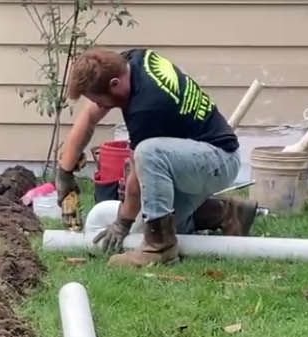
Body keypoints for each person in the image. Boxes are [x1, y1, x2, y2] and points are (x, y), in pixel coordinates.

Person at [57, 47, 257, 267]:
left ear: (115, 84)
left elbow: (137, 175)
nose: (102, 106)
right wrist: (65, 172)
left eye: (100, 100)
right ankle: (227, 213)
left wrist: (122, 222)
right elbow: (89, 116)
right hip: (192, 156)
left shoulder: (147, 106)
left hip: (217, 160)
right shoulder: (131, 61)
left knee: (148, 153)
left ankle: (160, 248)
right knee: (154, 223)